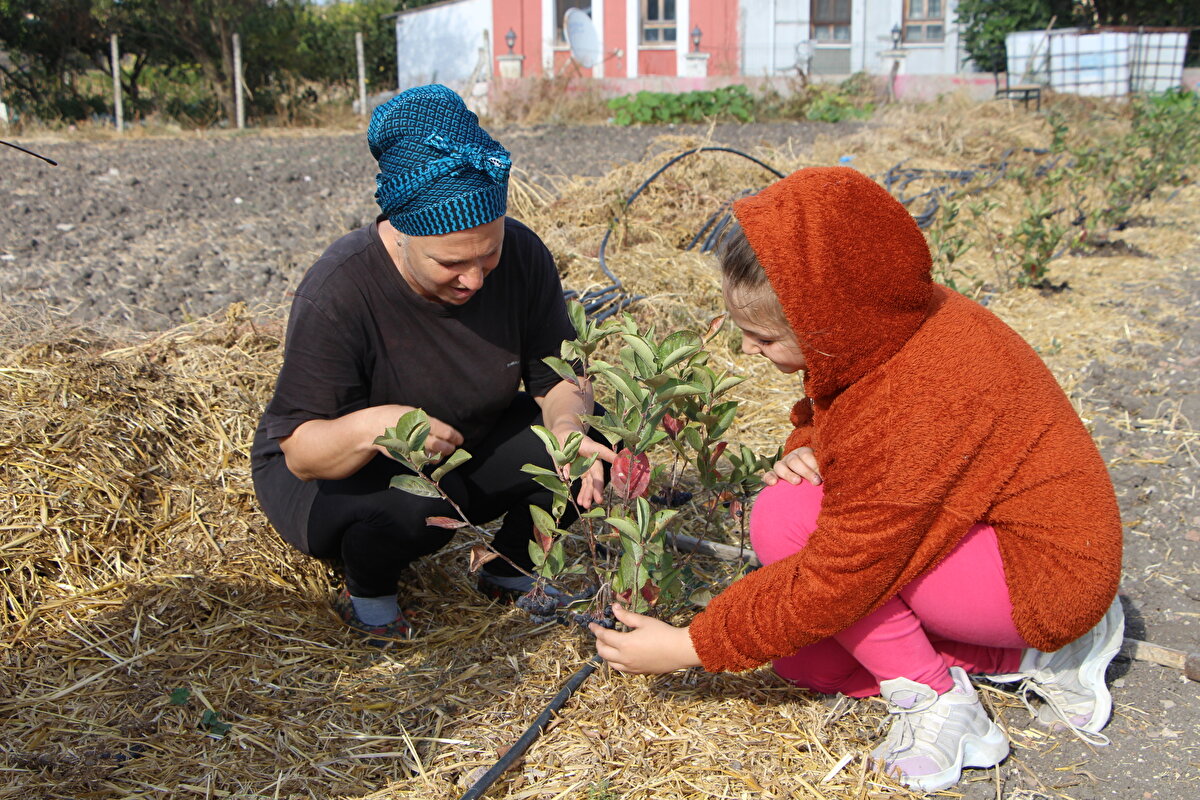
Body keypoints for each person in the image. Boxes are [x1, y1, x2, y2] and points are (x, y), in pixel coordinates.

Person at [590, 167, 1125, 793]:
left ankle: (940, 704)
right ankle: (1020, 658)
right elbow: (841, 412)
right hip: (987, 545)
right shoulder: (884, 317)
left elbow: (845, 573)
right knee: (807, 661)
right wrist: (810, 445)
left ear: (827, 324)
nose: (747, 349)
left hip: (1045, 576)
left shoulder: (917, 393)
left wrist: (693, 645)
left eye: (762, 337)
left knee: (789, 521)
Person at [251, 84, 613, 640]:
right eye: (450, 263)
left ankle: (510, 568)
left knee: (596, 443)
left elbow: (559, 379)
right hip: (337, 479)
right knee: (414, 505)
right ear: (401, 234)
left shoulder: (522, 257)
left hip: (459, 443)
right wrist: (378, 427)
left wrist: (567, 426)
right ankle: (368, 597)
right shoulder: (340, 290)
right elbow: (301, 452)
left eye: (488, 254)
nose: (475, 279)